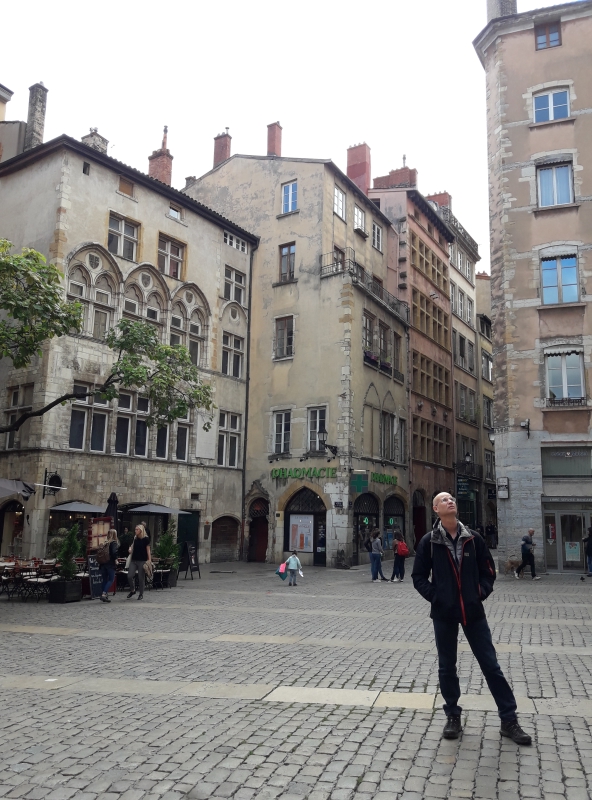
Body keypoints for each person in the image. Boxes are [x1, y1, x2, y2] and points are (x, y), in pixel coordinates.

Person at [412, 491, 532, 745]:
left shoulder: (473, 539)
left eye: (452, 499)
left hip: (473, 612)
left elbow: (488, 571)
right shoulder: (429, 541)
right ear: (436, 509)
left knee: (491, 665)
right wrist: (436, 597)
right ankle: (453, 716)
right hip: (444, 613)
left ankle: (509, 720)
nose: (450, 501)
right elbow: (418, 576)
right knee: (447, 667)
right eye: (444, 500)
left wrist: (478, 594)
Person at [127, 524, 151, 600]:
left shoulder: (146, 539)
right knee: (130, 575)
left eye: (137, 529)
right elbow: (132, 546)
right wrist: (130, 549)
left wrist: (149, 560)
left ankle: (141, 593)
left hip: (142, 560)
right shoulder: (135, 538)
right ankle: (132, 590)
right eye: (135, 529)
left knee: (141, 578)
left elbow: (148, 550)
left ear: (141, 530)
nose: (135, 531)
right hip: (134, 560)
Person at [100, 529, 119, 604]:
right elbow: (114, 553)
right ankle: (104, 594)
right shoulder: (113, 543)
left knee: (104, 580)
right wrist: (116, 559)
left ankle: (104, 594)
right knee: (111, 579)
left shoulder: (105, 543)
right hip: (110, 564)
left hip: (103, 563)